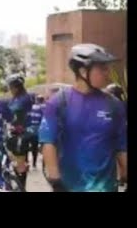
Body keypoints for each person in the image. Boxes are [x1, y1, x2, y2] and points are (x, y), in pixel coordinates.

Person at [39, 44, 127, 192]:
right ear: (82, 71)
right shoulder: (59, 102)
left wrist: (124, 173)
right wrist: (55, 180)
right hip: (69, 186)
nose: (107, 73)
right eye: (102, 68)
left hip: (106, 187)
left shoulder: (114, 104)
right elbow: (48, 142)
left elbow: (121, 145)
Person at [26, 94, 44, 169]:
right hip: (36, 129)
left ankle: (26, 162)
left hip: (28, 129)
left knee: (26, 147)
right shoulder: (42, 108)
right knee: (35, 147)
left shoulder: (29, 108)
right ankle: (34, 164)